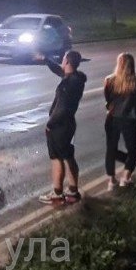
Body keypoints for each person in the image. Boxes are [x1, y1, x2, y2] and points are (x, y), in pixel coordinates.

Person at [40, 50, 86, 206]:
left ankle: (57, 194)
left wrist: (50, 124)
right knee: (68, 156)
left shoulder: (68, 84)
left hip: (60, 126)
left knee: (56, 158)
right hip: (69, 124)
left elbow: (62, 107)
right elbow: (59, 70)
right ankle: (73, 191)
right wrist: (47, 58)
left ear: (67, 62)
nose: (62, 61)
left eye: (63, 59)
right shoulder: (76, 78)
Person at [103, 52, 136, 188]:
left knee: (111, 149)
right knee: (133, 150)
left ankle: (111, 180)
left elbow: (108, 99)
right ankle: (125, 177)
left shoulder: (109, 80)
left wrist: (110, 107)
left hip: (112, 117)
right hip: (129, 120)